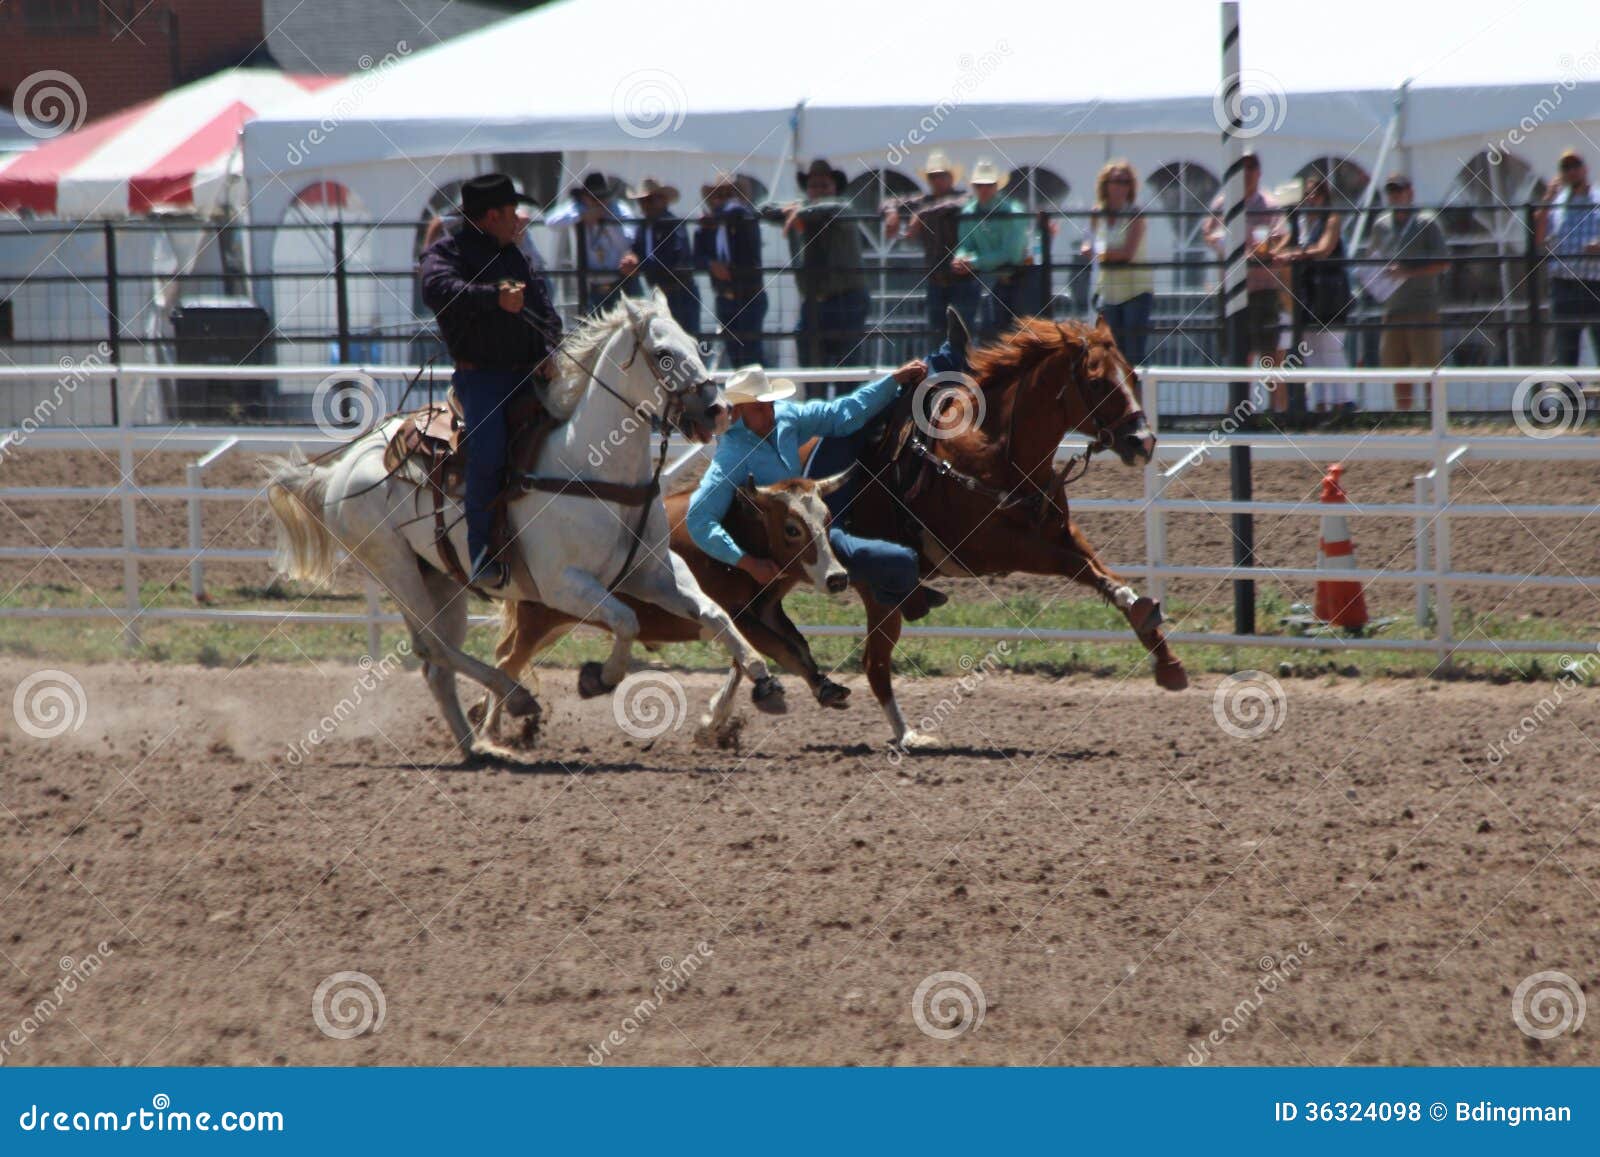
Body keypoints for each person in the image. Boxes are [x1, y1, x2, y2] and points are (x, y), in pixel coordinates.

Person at [686, 341, 965, 620]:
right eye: (759, 408)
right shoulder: (732, 456)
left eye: (769, 404)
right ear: (737, 412)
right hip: (801, 537)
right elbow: (699, 518)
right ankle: (900, 593)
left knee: (854, 420)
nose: (769, 413)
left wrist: (894, 379)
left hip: (811, 502)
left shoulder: (784, 416)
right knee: (902, 561)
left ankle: (941, 361)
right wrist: (747, 563)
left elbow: (838, 414)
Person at [419, 172, 563, 588]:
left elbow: (545, 310)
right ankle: (481, 552)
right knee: (489, 454)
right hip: (482, 381)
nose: (520, 219)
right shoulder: (447, 253)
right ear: (493, 215)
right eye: (513, 211)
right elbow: (436, 290)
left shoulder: (515, 255)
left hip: (528, 375)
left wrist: (549, 349)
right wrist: (493, 297)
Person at [763, 159, 869, 396]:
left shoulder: (842, 209)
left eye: (824, 185)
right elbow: (763, 209)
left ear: (834, 188)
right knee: (812, 376)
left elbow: (832, 209)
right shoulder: (800, 210)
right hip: (814, 303)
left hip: (847, 301)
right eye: (813, 186)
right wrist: (792, 210)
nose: (818, 191)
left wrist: (799, 211)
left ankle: (845, 431)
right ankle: (817, 428)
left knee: (847, 379)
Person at [1367, 172, 1449, 413]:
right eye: (1391, 191)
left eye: (1399, 190)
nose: (1395, 196)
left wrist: (1408, 272)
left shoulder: (1426, 222)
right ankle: (1404, 418)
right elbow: (1373, 259)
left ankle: (1434, 418)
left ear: (1410, 192)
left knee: (1429, 368)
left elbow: (1443, 263)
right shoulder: (1380, 225)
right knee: (1397, 368)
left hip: (1422, 307)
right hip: (1392, 308)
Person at [1277, 175, 1354, 423]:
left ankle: (1342, 403)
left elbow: (1324, 249)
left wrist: (1295, 254)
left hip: (1330, 293)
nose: (1311, 198)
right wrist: (1277, 251)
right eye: (1308, 193)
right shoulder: (1299, 222)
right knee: (1311, 351)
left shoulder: (1331, 218)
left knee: (1331, 349)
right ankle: (1321, 405)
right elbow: (1284, 245)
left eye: (1316, 193)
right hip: (1310, 294)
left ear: (1325, 195)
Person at [1203, 152, 1287, 378]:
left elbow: (1280, 237)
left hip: (1263, 289)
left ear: (1259, 172)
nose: (1246, 172)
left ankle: (1275, 411)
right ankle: (1240, 408)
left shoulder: (1269, 204)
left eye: (1251, 167)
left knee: (1269, 354)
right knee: (1237, 354)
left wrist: (1262, 251)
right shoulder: (1223, 203)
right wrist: (1227, 248)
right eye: (1242, 167)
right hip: (1232, 290)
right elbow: (1209, 233)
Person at [884, 150, 977, 338]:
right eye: (933, 176)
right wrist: (891, 212)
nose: (937, 180)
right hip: (936, 280)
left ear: (951, 178)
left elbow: (960, 203)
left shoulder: (964, 198)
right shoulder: (923, 201)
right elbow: (889, 201)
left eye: (941, 175)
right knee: (937, 336)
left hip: (963, 280)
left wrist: (922, 214)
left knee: (962, 336)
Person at [1083, 160, 1154, 366]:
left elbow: (1127, 252)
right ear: (1105, 184)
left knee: (1133, 357)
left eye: (1126, 181)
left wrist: (1099, 253)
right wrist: (1093, 250)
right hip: (1109, 291)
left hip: (1136, 290)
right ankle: (1115, 397)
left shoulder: (1135, 214)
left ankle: (1137, 396)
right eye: (1116, 181)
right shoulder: (1097, 213)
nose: (1121, 186)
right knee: (1111, 353)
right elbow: (1089, 241)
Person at [694, 172, 768, 367]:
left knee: (751, 357)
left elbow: (735, 210)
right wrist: (712, 265)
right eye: (718, 195)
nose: (723, 200)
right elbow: (696, 257)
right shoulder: (708, 227)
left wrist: (714, 216)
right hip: (724, 299)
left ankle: (759, 397)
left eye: (729, 194)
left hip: (749, 298)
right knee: (735, 357)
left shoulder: (743, 217)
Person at [953, 159, 1031, 342]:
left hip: (1015, 282)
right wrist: (961, 257)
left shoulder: (1014, 212)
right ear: (974, 187)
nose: (983, 189)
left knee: (1015, 337)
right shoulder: (969, 212)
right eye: (979, 185)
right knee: (988, 335)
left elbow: (1012, 255)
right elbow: (965, 244)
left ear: (997, 186)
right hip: (986, 282)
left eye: (988, 185)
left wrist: (972, 262)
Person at [1535, 148, 1600, 367]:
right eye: (1566, 168)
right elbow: (1539, 238)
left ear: (1585, 169)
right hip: (1564, 284)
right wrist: (1547, 199)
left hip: (1595, 282)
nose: (1572, 172)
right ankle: (1570, 398)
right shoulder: (1555, 204)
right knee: (1566, 352)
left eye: (1575, 166)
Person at [547, 171, 635, 314]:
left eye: (602, 197)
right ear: (584, 197)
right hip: (591, 287)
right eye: (593, 198)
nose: (598, 201)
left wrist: (607, 220)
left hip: (620, 285)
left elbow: (626, 242)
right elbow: (551, 221)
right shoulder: (579, 207)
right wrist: (581, 216)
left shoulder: (618, 208)